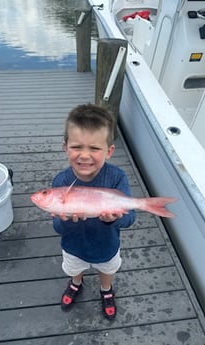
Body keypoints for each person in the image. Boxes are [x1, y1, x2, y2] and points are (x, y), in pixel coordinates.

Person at [52, 103, 136, 320]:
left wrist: (112, 220)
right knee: (74, 268)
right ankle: (76, 283)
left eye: (94, 148)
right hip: (74, 246)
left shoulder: (117, 177)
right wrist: (68, 220)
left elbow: (130, 219)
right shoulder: (61, 182)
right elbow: (58, 227)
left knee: (107, 270)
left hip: (106, 244)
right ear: (65, 147)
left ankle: (106, 289)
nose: (85, 155)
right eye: (77, 147)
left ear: (109, 152)